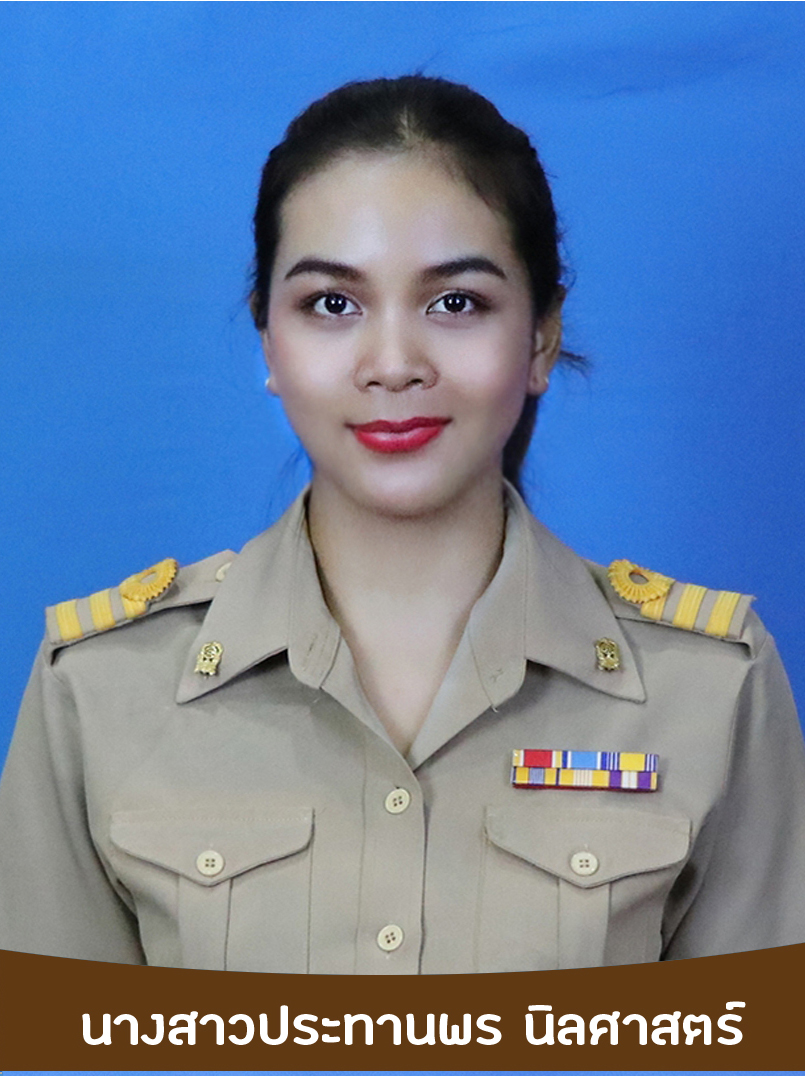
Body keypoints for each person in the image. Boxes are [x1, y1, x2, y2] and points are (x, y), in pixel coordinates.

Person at [1, 75, 804, 974]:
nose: (392, 364)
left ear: (540, 337)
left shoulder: (709, 690)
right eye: (331, 304)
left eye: (455, 302)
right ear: (268, 340)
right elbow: (56, 1043)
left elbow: (750, 1040)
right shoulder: (99, 689)